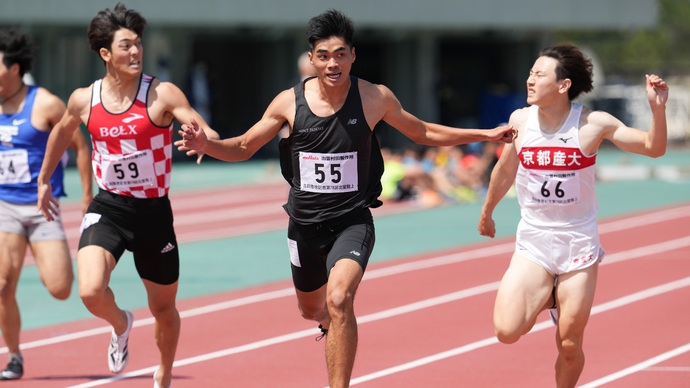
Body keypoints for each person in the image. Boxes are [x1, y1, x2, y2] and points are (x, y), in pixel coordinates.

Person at [177, 9, 515, 387]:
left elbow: (421, 132)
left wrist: (484, 135)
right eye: (323, 55)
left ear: (353, 55)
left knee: (340, 300)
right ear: (312, 60)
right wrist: (209, 143)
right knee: (312, 310)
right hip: (303, 225)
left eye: (340, 54)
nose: (332, 63)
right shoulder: (289, 103)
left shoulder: (374, 97)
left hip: (352, 221)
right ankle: (326, 321)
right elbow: (242, 147)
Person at [35, 4, 218, 388]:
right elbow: (62, 133)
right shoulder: (85, 99)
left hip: (154, 214)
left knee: (164, 309)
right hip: (110, 207)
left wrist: (206, 140)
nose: (135, 52)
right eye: (125, 46)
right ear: (105, 54)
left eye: (138, 44)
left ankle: (164, 373)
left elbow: (203, 128)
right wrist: (43, 179)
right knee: (89, 290)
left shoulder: (161, 94)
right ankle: (120, 322)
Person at [477, 44, 667, 387]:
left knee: (568, 344)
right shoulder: (521, 121)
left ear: (563, 85)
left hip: (578, 244)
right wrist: (487, 211)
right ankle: (549, 294)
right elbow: (505, 171)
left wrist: (657, 110)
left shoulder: (593, 124)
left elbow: (653, 147)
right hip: (534, 241)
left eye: (539, 74)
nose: (530, 80)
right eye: (530, 73)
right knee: (506, 331)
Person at [0, 28, 92, 381]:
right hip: (5, 208)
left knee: (59, 288)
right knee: (3, 286)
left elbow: (81, 148)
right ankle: (13, 356)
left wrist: (86, 196)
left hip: (42, 210)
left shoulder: (47, 104)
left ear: (14, 68)